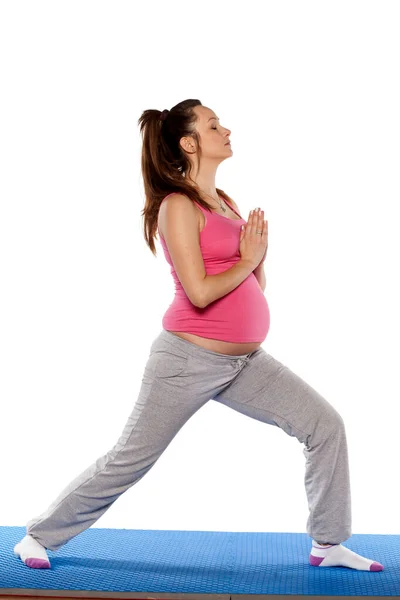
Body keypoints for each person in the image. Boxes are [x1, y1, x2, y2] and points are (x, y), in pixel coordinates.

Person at [14, 99, 383, 572]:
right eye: (213, 125)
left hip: (245, 363)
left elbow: (255, 287)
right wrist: (248, 260)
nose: (225, 129)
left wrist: (258, 255)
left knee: (325, 425)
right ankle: (39, 536)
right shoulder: (176, 206)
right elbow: (200, 292)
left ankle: (328, 543)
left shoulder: (225, 201)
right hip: (187, 358)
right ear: (189, 143)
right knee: (131, 459)